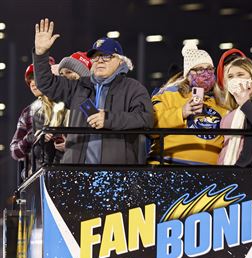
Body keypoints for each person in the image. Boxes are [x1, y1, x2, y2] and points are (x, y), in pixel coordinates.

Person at [33, 18, 153, 164]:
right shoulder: (78, 87)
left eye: (107, 56)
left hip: (116, 174)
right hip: (77, 172)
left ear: (121, 61)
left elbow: (145, 118)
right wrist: (41, 54)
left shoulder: (133, 88)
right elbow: (46, 83)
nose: (100, 61)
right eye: (95, 57)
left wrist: (108, 119)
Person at [149, 41, 227, 165]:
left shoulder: (221, 102)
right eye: (200, 69)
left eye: (209, 69)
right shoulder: (168, 95)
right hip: (169, 165)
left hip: (211, 173)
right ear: (188, 73)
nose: (206, 74)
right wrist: (181, 112)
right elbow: (150, 126)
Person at [10, 58, 68, 173]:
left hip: (68, 166)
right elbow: (15, 151)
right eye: (30, 80)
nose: (32, 83)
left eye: (36, 78)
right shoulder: (29, 112)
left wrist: (67, 142)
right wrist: (31, 138)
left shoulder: (69, 101)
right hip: (38, 173)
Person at [218, 57, 252, 166]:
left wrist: (245, 103)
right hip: (233, 168)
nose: (235, 79)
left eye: (240, 74)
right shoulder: (231, 109)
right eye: (230, 76)